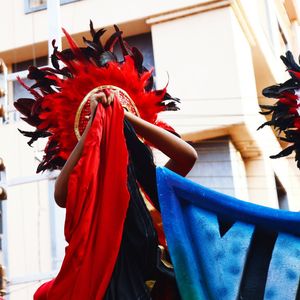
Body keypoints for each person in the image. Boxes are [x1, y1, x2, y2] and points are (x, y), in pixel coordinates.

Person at [14, 22, 197, 299]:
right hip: (108, 285)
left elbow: (187, 156)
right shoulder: (89, 191)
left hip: (161, 285)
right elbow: (62, 195)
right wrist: (93, 126)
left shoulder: (149, 183)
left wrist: (126, 118)